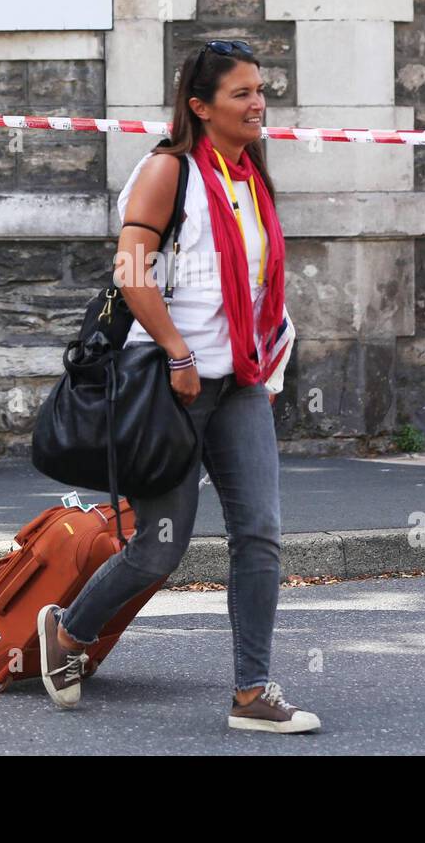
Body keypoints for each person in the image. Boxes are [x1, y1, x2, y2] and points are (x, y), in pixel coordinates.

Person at [34, 40, 317, 733]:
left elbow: (257, 282)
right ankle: (68, 631)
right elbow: (133, 271)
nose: (259, 104)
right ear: (200, 105)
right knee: (160, 546)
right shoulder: (169, 171)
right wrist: (178, 351)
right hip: (172, 386)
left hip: (241, 382)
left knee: (261, 534)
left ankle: (252, 690)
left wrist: (268, 361)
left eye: (261, 90)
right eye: (242, 93)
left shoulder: (249, 175)